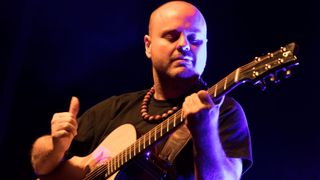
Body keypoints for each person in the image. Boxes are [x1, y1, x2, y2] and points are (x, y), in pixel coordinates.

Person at [31, 1, 252, 179]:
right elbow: (41, 167)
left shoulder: (223, 111)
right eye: (171, 36)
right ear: (148, 46)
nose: (184, 44)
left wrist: (204, 131)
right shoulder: (115, 109)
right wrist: (55, 145)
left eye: (195, 39)